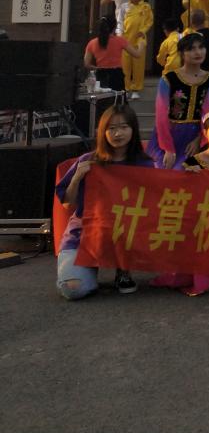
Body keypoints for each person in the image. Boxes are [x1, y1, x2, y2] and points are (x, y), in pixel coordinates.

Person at [55, 104, 150, 299]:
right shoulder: (88, 161)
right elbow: (67, 204)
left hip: (126, 235)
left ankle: (123, 268)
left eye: (123, 127)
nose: (118, 133)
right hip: (84, 235)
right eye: (111, 128)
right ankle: (86, 269)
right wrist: (77, 178)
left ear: (133, 129)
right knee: (74, 288)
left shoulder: (145, 164)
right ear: (102, 132)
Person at [150, 110, 209, 297]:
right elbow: (182, 200)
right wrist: (189, 180)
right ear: (205, 133)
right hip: (200, 221)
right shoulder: (191, 163)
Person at [148, 32, 209, 168]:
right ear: (181, 53)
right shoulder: (168, 79)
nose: (198, 52)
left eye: (201, 47)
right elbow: (161, 115)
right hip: (168, 134)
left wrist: (199, 139)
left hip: (196, 136)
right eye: (191, 49)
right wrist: (168, 148)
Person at [83, 15, 142, 93]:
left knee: (102, 98)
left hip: (101, 74)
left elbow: (86, 64)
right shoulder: (120, 41)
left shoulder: (92, 43)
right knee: (118, 97)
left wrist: (97, 68)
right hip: (117, 75)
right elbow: (137, 54)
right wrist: (141, 43)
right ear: (114, 27)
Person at [121, 0, 153, 99]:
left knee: (138, 65)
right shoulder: (124, 6)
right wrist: (119, 34)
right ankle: (126, 88)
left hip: (140, 39)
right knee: (125, 65)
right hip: (126, 39)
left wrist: (143, 30)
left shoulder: (146, 7)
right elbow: (119, 21)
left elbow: (149, 21)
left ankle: (136, 89)